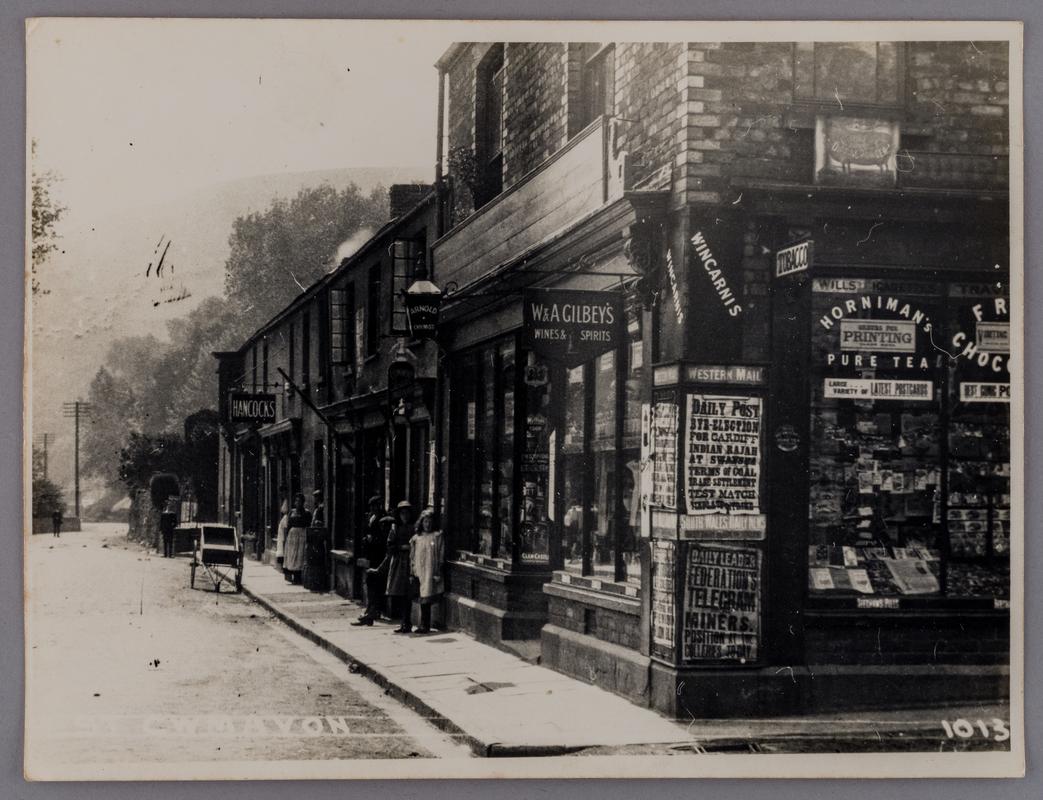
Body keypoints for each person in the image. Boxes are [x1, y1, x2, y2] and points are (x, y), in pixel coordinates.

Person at [371, 500, 414, 633]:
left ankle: (408, 622)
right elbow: (389, 546)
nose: (405, 516)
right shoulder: (395, 529)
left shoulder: (414, 528)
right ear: (399, 515)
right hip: (398, 563)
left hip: (411, 563)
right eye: (402, 514)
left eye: (407, 513)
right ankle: (403, 622)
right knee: (399, 593)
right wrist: (401, 547)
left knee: (408, 594)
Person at [353, 496, 388, 626]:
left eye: (376, 506)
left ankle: (372, 612)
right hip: (371, 556)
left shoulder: (383, 519)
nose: (373, 509)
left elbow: (384, 539)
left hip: (379, 556)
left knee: (375, 584)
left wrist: (373, 540)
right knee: (371, 583)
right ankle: (372, 611)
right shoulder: (371, 517)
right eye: (372, 506)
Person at [409, 508, 444, 634]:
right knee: (421, 597)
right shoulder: (416, 538)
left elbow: (440, 554)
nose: (427, 524)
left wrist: (438, 570)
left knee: (427, 597)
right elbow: (412, 556)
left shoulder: (437, 536)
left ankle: (426, 624)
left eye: (429, 522)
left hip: (430, 571)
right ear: (421, 523)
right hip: (419, 570)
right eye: (425, 522)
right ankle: (422, 624)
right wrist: (412, 571)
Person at [283, 493, 311, 583]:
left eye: (299, 501)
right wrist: (286, 538)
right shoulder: (292, 512)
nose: (297, 503)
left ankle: (298, 577)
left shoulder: (307, 513)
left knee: (300, 556)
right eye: (296, 501)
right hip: (292, 537)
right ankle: (292, 575)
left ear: (303, 502)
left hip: (302, 536)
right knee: (292, 555)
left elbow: (309, 525)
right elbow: (288, 525)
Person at [275, 497, 289, 570]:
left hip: (283, 537)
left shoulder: (286, 518)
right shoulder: (284, 517)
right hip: (281, 537)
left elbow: (285, 528)